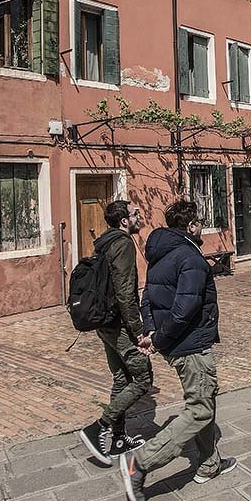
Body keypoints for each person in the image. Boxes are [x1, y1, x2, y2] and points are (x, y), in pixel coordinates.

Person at [119, 200, 236, 501]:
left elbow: (148, 297)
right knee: (199, 410)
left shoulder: (160, 255)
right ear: (193, 226)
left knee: (203, 401)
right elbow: (185, 309)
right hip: (191, 345)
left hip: (176, 345)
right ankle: (140, 463)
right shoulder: (191, 258)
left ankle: (209, 464)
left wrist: (152, 332)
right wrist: (158, 338)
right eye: (199, 222)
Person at [78, 200, 152, 467]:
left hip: (105, 321)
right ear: (124, 221)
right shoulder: (122, 244)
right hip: (119, 323)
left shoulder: (104, 242)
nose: (139, 216)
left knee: (121, 379)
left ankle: (119, 439)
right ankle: (98, 427)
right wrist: (138, 330)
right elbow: (125, 291)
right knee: (143, 377)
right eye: (135, 214)